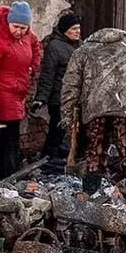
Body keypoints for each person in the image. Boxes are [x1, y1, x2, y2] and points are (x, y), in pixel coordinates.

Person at [60, 25, 126, 199]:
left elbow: (70, 86)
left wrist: (68, 117)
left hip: (94, 109)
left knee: (95, 152)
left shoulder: (83, 50)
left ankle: (90, 194)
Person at [0, 0, 41, 179]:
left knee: (9, 141)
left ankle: (0, 179)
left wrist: (33, 67)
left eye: (23, 27)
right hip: (2, 97)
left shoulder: (27, 36)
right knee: (9, 142)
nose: (19, 31)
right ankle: (9, 179)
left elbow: (36, 46)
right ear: (8, 22)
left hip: (18, 95)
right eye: (16, 26)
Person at [35, 11, 82, 175]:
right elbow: (47, 75)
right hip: (59, 99)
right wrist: (41, 98)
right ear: (64, 30)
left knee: (78, 133)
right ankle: (46, 164)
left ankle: (73, 164)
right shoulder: (55, 47)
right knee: (57, 132)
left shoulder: (79, 46)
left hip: (76, 99)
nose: (77, 31)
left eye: (78, 28)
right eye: (74, 28)